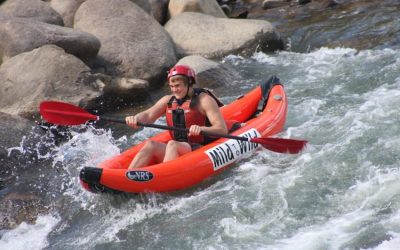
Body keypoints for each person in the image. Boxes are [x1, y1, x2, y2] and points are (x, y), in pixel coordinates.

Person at [125, 65, 228, 169]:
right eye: (171, 86)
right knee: (151, 144)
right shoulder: (168, 100)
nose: (174, 90)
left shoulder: (204, 100)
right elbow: (148, 115)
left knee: (172, 144)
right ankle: (128, 176)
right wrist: (136, 119)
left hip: (200, 148)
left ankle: (162, 176)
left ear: (189, 83)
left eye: (178, 85)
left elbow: (222, 129)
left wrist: (201, 129)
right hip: (180, 148)